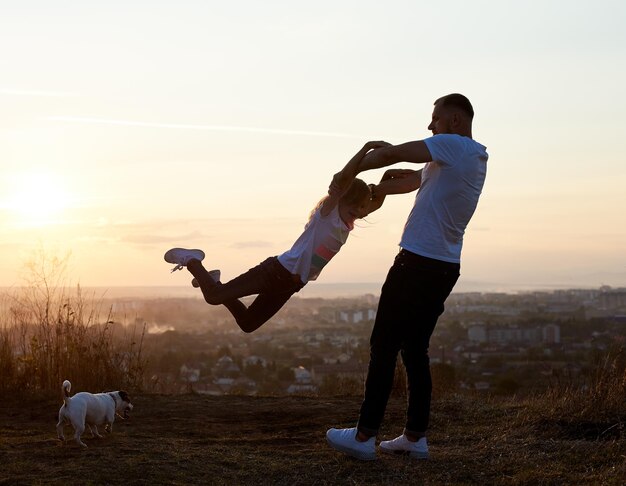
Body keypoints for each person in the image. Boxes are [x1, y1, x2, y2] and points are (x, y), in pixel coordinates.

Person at [326, 93, 488, 461]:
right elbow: (415, 179)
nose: (431, 125)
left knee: (382, 345)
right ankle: (415, 439)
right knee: (414, 349)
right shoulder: (467, 159)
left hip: (416, 263)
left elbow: (390, 156)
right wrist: (381, 188)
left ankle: (364, 436)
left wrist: (353, 170)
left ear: (455, 121)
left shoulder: (452, 146)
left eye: (436, 118)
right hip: (444, 266)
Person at [163, 141, 396, 333]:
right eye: (354, 207)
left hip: (291, 284)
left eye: (361, 209)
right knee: (214, 297)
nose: (359, 213)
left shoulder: (347, 222)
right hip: (275, 272)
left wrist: (389, 176)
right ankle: (193, 260)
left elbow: (373, 203)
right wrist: (366, 148)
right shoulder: (327, 215)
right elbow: (343, 178)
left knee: (248, 323)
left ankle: (214, 280)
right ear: (342, 199)